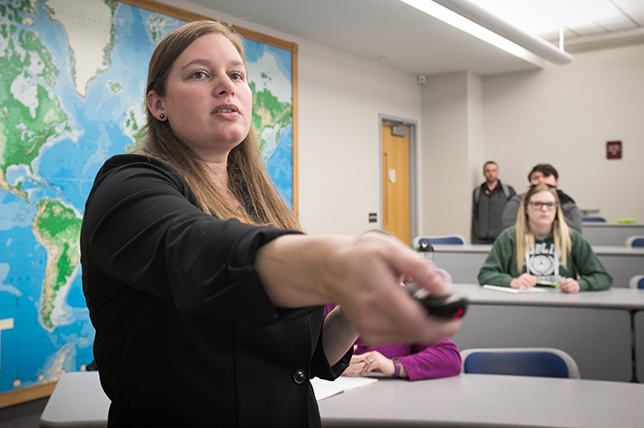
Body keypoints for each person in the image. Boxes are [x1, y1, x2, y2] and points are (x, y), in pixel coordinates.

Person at [80, 21, 459, 427]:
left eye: (236, 74)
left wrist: (355, 307)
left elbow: (308, 357)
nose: (226, 85)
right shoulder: (128, 186)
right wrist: (335, 261)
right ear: (159, 105)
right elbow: (196, 252)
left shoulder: (261, 205)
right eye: (200, 74)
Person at [479, 183, 611, 293]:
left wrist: (580, 285)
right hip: (521, 305)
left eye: (550, 204)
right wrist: (512, 282)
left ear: (556, 209)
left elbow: (602, 277)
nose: (544, 209)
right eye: (537, 204)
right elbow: (486, 274)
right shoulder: (509, 237)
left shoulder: (571, 237)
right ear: (526, 208)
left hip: (563, 305)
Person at [324, 304, 461, 380]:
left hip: (394, 402)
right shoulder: (322, 306)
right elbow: (306, 357)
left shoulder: (409, 311)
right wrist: (329, 366)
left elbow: (450, 356)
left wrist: (394, 365)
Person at [501, 163, 582, 233]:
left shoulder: (568, 203)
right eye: (536, 178)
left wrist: (554, 214)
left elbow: (576, 231)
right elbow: (509, 226)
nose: (541, 180)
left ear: (556, 181)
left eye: (546, 176)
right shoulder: (518, 201)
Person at [472, 161, 515, 244]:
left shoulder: (507, 191)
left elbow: (515, 213)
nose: (491, 174)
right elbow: (474, 215)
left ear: (497, 172)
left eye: (493, 170)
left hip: (502, 238)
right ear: (483, 173)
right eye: (488, 171)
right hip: (482, 239)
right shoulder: (477, 192)